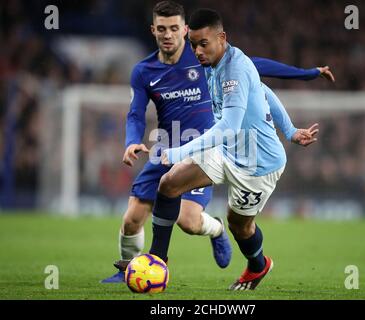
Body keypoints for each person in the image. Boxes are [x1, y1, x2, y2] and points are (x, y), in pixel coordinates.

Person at [102, 1, 333, 283]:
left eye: (203, 44)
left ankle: (258, 265)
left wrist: (180, 151)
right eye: (194, 44)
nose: (197, 51)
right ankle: (158, 262)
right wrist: (291, 129)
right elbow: (262, 89)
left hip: (257, 164)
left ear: (221, 38)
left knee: (241, 226)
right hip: (224, 151)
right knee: (169, 185)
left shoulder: (235, 69)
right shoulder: (210, 62)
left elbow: (228, 126)